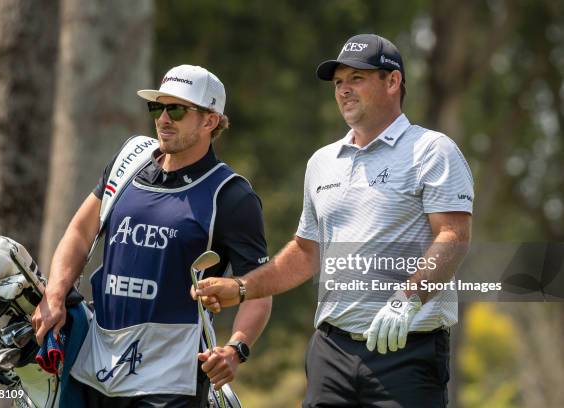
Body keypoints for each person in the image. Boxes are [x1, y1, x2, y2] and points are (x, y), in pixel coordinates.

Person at [194, 34, 473, 407]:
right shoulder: (322, 162)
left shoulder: (431, 150)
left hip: (408, 350)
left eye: (356, 79)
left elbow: (453, 236)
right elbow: (307, 252)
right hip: (332, 351)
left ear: (392, 82)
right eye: (338, 82)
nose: (343, 90)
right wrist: (241, 288)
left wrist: (407, 299)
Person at [32, 64, 272, 407]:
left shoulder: (231, 195)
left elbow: (260, 289)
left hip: (170, 381)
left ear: (210, 121)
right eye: (157, 107)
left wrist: (236, 348)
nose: (163, 119)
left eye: (177, 109)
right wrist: (54, 295)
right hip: (96, 367)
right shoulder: (130, 160)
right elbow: (81, 231)